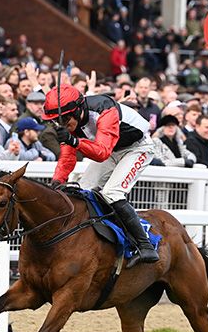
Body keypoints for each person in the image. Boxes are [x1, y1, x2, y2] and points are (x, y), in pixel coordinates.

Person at [42, 83, 159, 267]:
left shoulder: (105, 109)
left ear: (78, 110)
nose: (63, 125)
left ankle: (145, 246)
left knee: (112, 192)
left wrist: (73, 140)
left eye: (64, 119)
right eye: (58, 120)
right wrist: (57, 181)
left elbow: (102, 152)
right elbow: (67, 156)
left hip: (138, 148)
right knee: (81, 190)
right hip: (113, 150)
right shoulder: (72, 123)